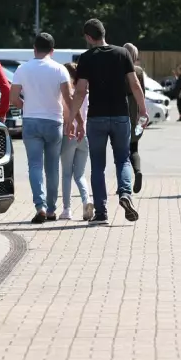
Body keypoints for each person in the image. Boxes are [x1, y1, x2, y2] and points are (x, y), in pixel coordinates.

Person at [65, 19, 147, 225]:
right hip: (120, 116)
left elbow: (81, 91)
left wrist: (71, 119)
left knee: (98, 166)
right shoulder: (122, 53)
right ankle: (125, 194)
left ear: (88, 37)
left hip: (97, 118)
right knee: (123, 159)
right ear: (104, 33)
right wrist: (142, 110)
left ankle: (101, 212)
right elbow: (135, 85)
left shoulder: (86, 58)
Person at [10, 33, 83, 224]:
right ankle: (51, 210)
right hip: (54, 122)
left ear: (34, 48)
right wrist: (75, 121)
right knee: (51, 168)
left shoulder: (21, 69)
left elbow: (13, 98)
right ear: (53, 50)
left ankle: (39, 206)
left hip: (31, 121)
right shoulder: (60, 70)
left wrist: (25, 105)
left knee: (34, 165)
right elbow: (68, 100)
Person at [60, 62, 94, 221]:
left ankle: (67, 209)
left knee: (67, 174)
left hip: (69, 134)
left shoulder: (66, 94)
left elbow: (65, 114)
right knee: (80, 174)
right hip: (84, 136)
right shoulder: (85, 93)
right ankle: (87, 200)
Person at [123, 43, 146, 194]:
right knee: (134, 147)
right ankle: (137, 170)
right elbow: (142, 93)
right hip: (135, 112)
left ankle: (123, 182)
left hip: (120, 111)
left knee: (121, 150)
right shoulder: (138, 71)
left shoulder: (117, 71)